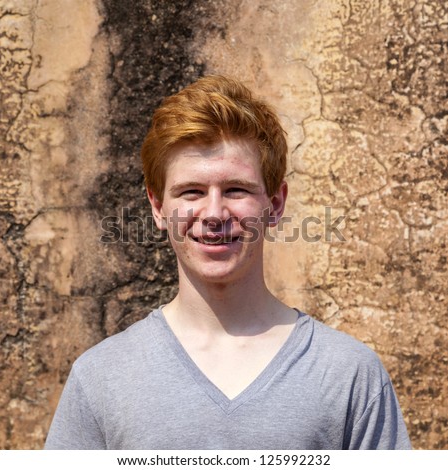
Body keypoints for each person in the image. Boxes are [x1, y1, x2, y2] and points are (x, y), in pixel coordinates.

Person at [45, 75, 411, 450]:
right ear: (158, 207)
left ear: (276, 203)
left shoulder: (350, 375)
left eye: (236, 190)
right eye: (192, 192)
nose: (215, 214)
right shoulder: (100, 378)